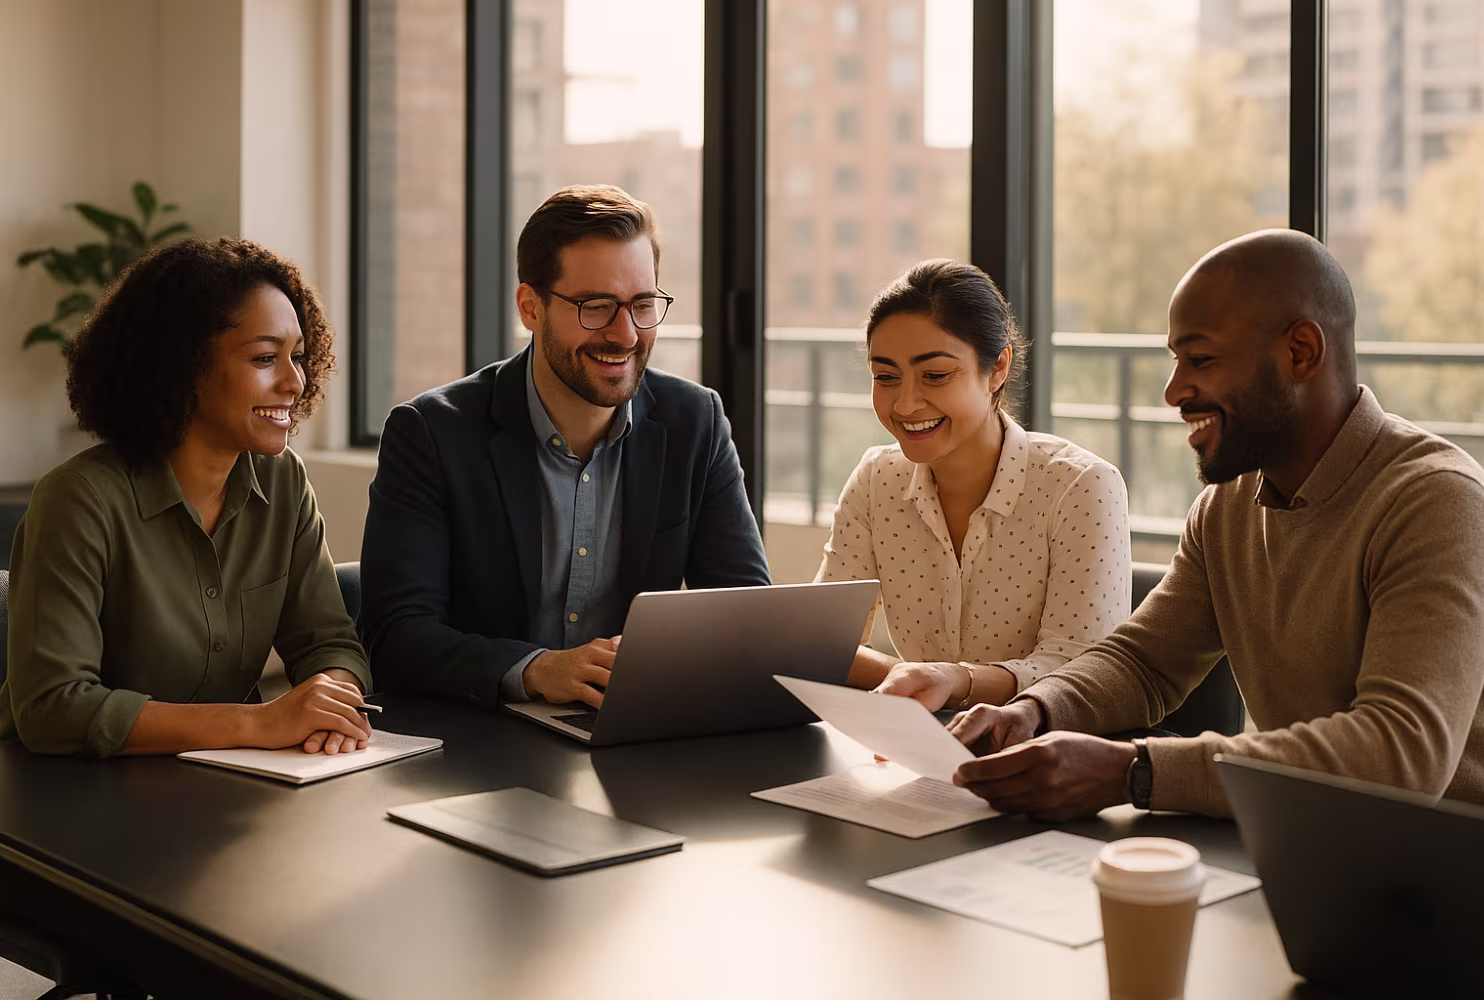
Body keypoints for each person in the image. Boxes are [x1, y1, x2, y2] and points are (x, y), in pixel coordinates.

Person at [948, 229, 1484, 820]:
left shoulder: (1438, 501)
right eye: (1175, 360)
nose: (1173, 390)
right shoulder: (1226, 507)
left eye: (1202, 360)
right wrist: (1034, 711)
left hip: (1459, 874)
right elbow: (1145, 663)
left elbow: (1401, 754)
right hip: (1310, 843)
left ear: (1301, 353)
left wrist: (1134, 772)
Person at [360, 184, 770, 710]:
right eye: (596, 307)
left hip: (628, 734)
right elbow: (396, 640)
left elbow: (748, 618)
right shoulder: (431, 433)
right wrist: (535, 670)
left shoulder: (696, 422)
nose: (625, 334)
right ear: (530, 307)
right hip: (479, 742)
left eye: (643, 304)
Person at [1, 238, 374, 758]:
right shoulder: (78, 500)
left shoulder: (284, 481)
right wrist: (255, 724)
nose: (294, 381)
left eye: (298, 357)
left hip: (224, 789)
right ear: (182, 366)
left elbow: (328, 643)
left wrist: (332, 706)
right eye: (265, 357)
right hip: (70, 798)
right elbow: (53, 708)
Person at [815, 259, 1132, 711]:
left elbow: (1080, 671)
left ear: (998, 366)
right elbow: (822, 642)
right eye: (885, 377)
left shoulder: (1081, 485)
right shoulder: (876, 480)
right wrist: (917, 681)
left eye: (936, 375)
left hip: (1046, 750)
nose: (905, 403)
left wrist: (953, 682)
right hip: (923, 743)